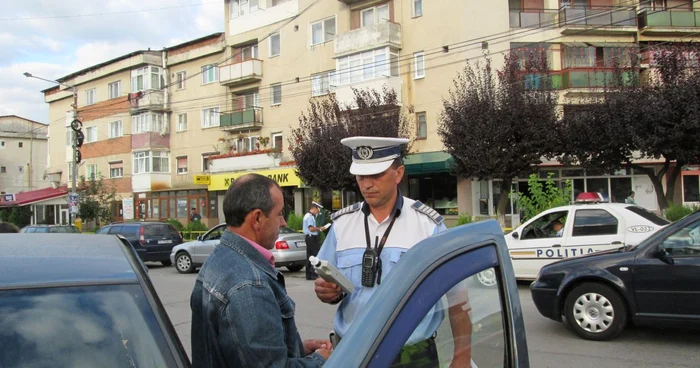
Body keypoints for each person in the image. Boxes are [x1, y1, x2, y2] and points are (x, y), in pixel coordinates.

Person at [314, 136, 472, 367]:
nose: (366, 184)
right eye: (360, 176)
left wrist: (462, 356)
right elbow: (330, 285)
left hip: (412, 357)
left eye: (376, 175)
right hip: (352, 352)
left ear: (398, 174)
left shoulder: (428, 225)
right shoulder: (342, 224)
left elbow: (457, 298)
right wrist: (327, 292)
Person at [190, 174, 331, 368]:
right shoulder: (250, 284)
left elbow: (242, 352)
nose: (283, 222)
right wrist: (320, 359)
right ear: (257, 218)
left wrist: (297, 348)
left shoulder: (221, 258)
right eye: (279, 213)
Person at [303, 201, 325, 280]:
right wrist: (320, 228)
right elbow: (311, 228)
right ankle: (313, 273)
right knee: (316, 255)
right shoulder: (309, 217)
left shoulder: (308, 215)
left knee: (309, 256)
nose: (318, 211)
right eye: (318, 209)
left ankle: (308, 275)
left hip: (309, 237)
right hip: (311, 237)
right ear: (314, 208)